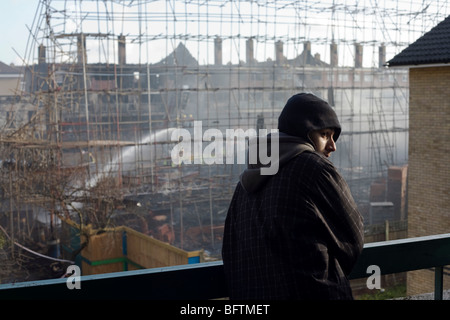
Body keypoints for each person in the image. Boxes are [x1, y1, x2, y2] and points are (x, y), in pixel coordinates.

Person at [222, 93, 364, 300]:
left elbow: (230, 251)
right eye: (325, 135)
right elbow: (352, 238)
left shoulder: (244, 183)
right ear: (304, 133)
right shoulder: (315, 168)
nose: (332, 146)